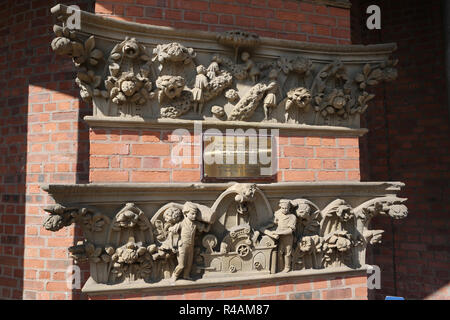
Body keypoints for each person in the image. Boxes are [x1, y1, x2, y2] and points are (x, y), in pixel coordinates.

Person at [170, 202, 209, 281]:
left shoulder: (195, 224)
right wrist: (172, 245)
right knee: (181, 265)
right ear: (186, 213)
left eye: (195, 214)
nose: (194, 216)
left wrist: (210, 221)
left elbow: (206, 229)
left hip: (191, 246)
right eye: (192, 214)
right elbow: (171, 232)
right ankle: (175, 275)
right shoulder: (182, 223)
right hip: (182, 246)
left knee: (189, 264)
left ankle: (186, 275)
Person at [264, 199, 297, 272]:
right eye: (283, 208)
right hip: (279, 238)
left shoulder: (292, 217)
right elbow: (273, 223)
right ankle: (280, 267)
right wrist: (266, 227)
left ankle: (287, 267)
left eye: (287, 208)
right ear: (280, 207)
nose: (285, 210)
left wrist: (279, 233)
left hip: (288, 238)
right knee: (280, 252)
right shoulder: (278, 214)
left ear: (289, 208)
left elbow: (290, 230)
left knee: (288, 253)